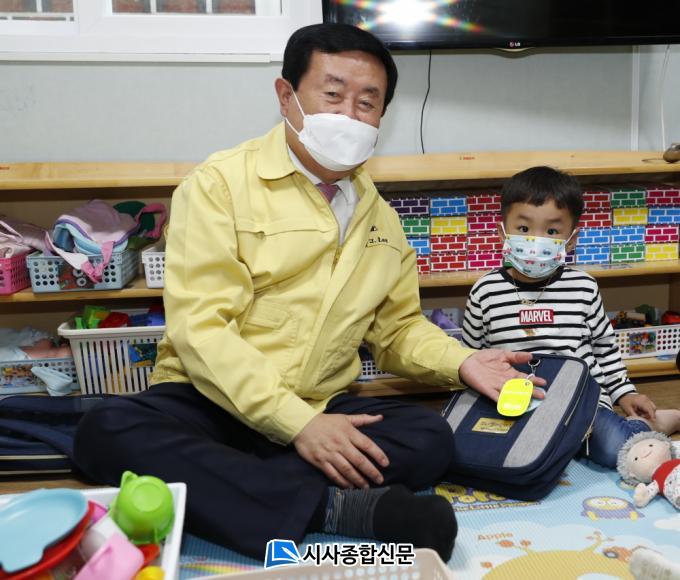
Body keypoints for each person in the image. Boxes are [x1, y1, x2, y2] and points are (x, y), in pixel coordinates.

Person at [74, 23, 544, 562]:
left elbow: (397, 332)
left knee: (428, 437)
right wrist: (299, 426)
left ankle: (233, 487)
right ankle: (335, 508)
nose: (350, 115)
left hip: (321, 402)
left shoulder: (382, 219)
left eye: (367, 103)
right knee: (106, 429)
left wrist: (464, 362)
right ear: (286, 96)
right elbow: (202, 330)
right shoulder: (218, 185)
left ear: (382, 116)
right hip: (211, 401)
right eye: (333, 94)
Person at [462, 165, 680, 468]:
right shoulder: (485, 290)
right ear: (503, 233)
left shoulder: (583, 287)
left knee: (613, 449)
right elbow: (470, 357)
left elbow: (605, 349)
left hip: (582, 402)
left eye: (552, 231)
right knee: (481, 451)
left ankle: (653, 424)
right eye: (523, 229)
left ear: (571, 239)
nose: (536, 241)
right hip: (515, 403)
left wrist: (624, 393)